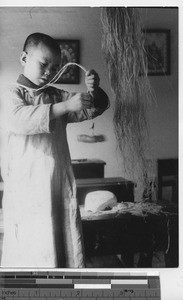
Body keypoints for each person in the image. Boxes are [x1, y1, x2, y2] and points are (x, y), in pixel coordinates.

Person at [0, 32, 109, 268]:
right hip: (26, 189)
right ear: (23, 58)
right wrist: (66, 105)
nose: (49, 71)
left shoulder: (55, 94)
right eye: (43, 64)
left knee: (60, 248)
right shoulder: (11, 94)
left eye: (55, 66)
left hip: (56, 183)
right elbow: (19, 119)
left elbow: (94, 108)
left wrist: (94, 91)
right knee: (29, 250)